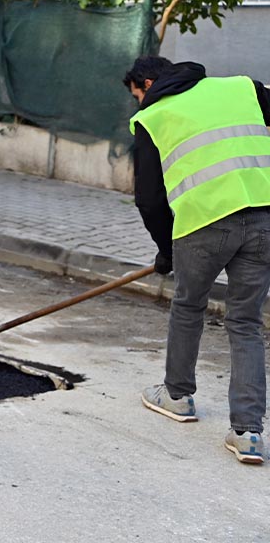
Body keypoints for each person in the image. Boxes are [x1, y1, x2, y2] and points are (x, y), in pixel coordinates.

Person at [125, 55, 270, 464]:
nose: (140, 104)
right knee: (245, 322)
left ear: (149, 83)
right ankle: (248, 433)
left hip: (203, 223)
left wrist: (166, 251)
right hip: (263, 218)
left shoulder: (154, 117)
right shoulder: (242, 87)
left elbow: (150, 200)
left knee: (188, 307)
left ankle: (178, 396)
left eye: (139, 96)